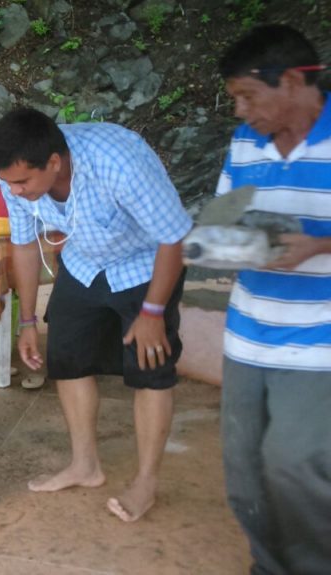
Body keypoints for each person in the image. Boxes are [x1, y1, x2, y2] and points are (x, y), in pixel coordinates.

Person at [0, 108, 192, 522]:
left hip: (146, 264)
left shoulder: (118, 162)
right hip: (83, 263)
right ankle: (86, 465)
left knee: (149, 367)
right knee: (67, 358)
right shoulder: (16, 181)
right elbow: (25, 247)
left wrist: (152, 312)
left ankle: (147, 480)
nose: (16, 191)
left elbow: (176, 238)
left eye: (23, 181)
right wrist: (27, 320)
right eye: (9, 182)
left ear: (55, 163)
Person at [215, 25, 331, 574]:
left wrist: (319, 243)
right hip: (247, 335)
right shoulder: (246, 143)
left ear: (291, 82)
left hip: (320, 344)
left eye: (248, 96)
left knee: (297, 467)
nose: (241, 111)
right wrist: (229, 242)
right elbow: (214, 227)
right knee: (245, 478)